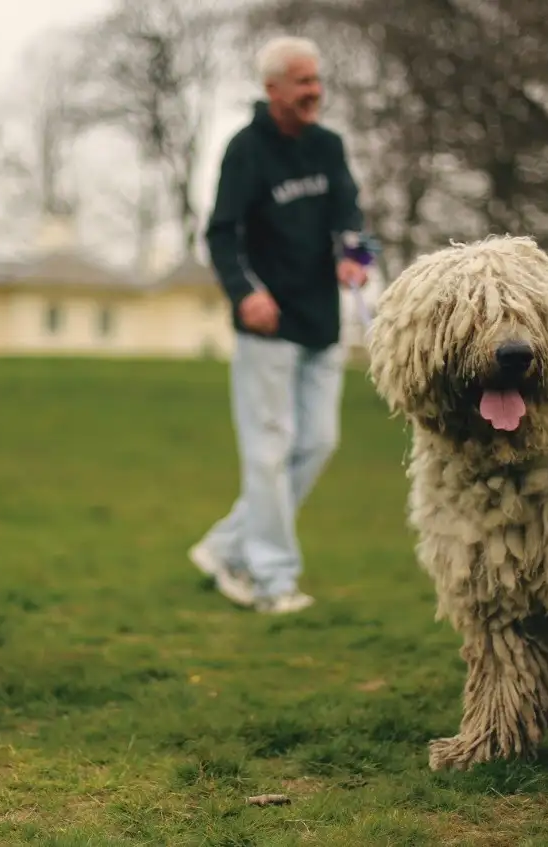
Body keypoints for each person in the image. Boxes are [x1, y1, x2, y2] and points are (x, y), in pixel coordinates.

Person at [189, 35, 368, 614]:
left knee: (317, 443)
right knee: (269, 451)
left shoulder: (329, 146)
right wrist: (246, 294)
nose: (314, 92)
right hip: (267, 328)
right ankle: (270, 580)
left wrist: (354, 258)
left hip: (322, 322)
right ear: (273, 90)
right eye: (302, 83)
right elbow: (221, 233)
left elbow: (350, 218)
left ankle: (223, 545)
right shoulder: (246, 150)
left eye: (317, 81)